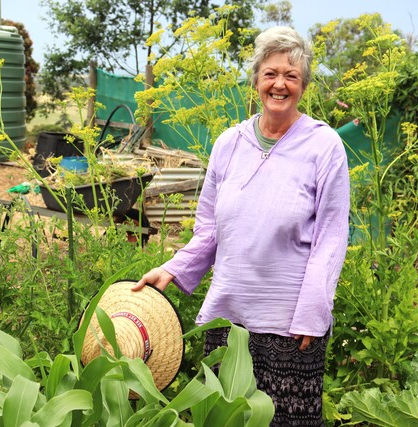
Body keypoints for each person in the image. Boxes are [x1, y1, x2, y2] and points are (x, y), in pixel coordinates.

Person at [134, 26, 350, 426]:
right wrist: (172, 269)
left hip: (290, 327)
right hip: (228, 320)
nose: (280, 84)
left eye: (291, 76)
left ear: (304, 85)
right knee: (223, 418)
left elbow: (331, 237)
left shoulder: (324, 146)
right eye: (271, 74)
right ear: (255, 81)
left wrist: (313, 311)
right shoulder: (228, 144)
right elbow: (209, 230)